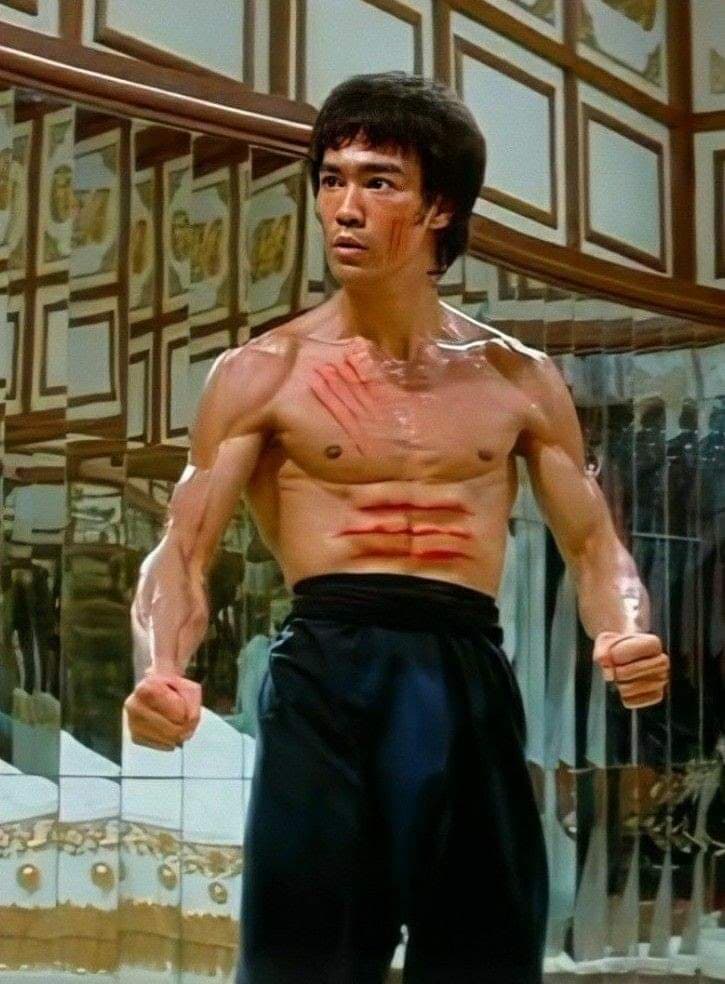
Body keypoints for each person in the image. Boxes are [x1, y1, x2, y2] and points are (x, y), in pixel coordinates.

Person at [123, 72, 670, 983]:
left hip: (464, 668)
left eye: (377, 182)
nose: (344, 207)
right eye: (330, 180)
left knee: (484, 949)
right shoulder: (264, 371)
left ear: (438, 207)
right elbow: (183, 547)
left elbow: (590, 541)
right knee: (306, 957)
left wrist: (622, 627)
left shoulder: (516, 376)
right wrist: (161, 668)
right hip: (328, 669)